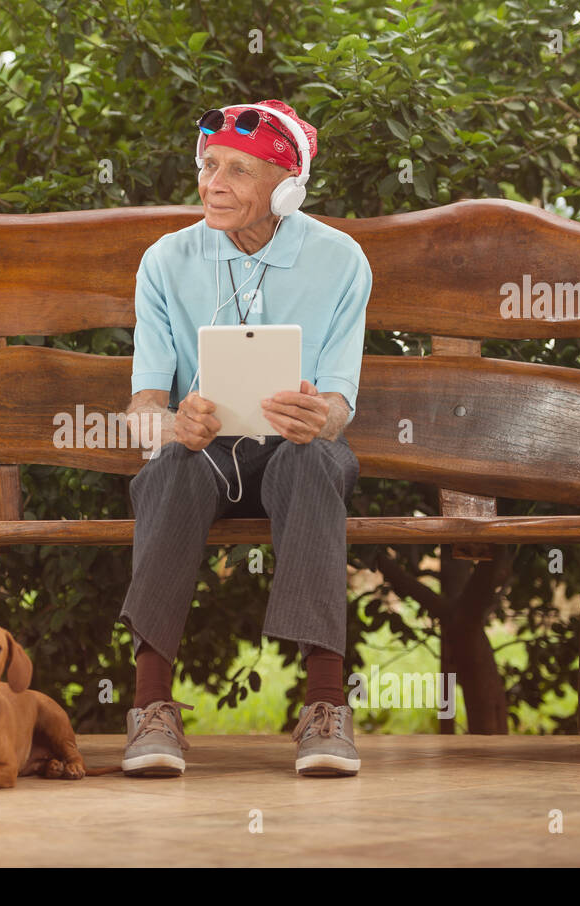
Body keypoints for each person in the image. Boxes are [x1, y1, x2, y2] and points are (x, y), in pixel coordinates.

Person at [118, 98, 371, 777]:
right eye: (207, 166)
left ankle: (324, 706)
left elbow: (342, 401)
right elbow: (143, 404)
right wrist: (171, 424)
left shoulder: (340, 260)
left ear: (285, 189)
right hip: (205, 455)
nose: (213, 184)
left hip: (299, 450)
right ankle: (149, 709)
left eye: (236, 170)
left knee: (314, 460)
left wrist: (323, 419)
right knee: (170, 465)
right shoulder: (166, 261)